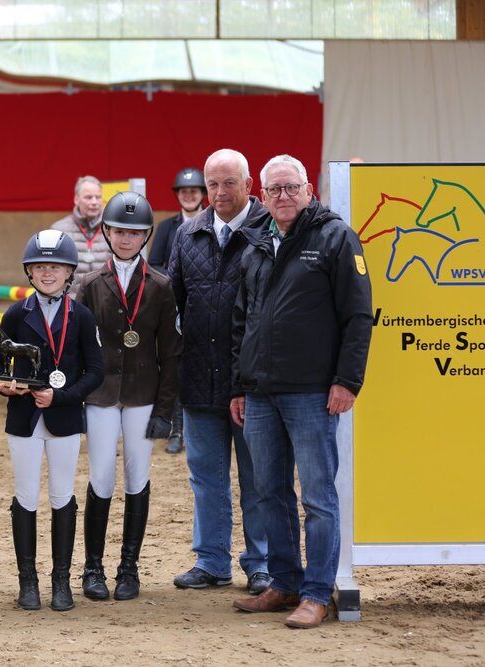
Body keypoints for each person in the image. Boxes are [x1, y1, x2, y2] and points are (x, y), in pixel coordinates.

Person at [230, 154, 373, 629]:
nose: (284, 196)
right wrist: (240, 385)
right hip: (260, 394)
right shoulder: (256, 243)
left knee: (317, 497)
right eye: (274, 189)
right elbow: (244, 320)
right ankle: (285, 583)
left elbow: (358, 316)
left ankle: (316, 593)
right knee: (268, 492)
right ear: (262, 196)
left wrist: (347, 380)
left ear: (309, 189)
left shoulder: (335, 237)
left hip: (312, 393)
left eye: (292, 187)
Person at [168, 149, 271, 596]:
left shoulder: (270, 231)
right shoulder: (187, 234)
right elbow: (173, 301)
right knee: (206, 479)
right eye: (213, 183)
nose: (220, 192)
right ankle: (211, 561)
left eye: (229, 182)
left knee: (259, 480)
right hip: (198, 380)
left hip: (254, 385)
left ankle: (261, 563)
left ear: (248, 184)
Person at [75, 192, 181, 602]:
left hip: (142, 395)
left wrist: (165, 410)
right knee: (101, 476)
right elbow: (76, 349)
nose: (125, 239)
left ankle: (128, 568)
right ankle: (93, 567)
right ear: (107, 232)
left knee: (138, 478)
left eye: (134, 233)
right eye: (119, 231)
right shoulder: (89, 284)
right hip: (100, 394)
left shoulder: (161, 286)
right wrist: (76, 400)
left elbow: (170, 354)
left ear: (145, 237)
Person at [0, 229, 104, 612]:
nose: (47, 273)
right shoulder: (15, 314)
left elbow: (95, 371)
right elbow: (0, 364)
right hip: (23, 417)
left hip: (64, 417)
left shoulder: (82, 316)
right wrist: (5, 387)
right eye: (40, 267)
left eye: (55, 267)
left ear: (69, 272)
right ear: (30, 271)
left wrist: (62, 396)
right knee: (25, 495)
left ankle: (61, 580)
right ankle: (28, 581)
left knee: (61, 495)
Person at [148, 167, 209, 455]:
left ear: (202, 194)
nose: (189, 196)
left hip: (209, 306)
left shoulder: (216, 223)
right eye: (184, 192)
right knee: (176, 366)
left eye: (194, 191)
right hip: (176, 306)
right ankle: (177, 429)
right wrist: (177, 280)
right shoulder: (166, 228)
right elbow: (154, 263)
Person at [50, 175, 111, 297]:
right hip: (70, 303)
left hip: (105, 303)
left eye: (98, 197)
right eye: (88, 197)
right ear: (76, 199)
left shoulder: (113, 229)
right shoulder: (58, 230)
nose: (94, 202)